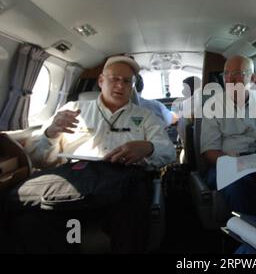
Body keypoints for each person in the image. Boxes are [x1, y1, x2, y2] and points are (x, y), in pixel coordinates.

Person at [19, 55, 176, 252]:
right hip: (76, 183)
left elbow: (169, 151)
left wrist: (148, 148)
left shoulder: (146, 117)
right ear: (101, 81)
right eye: (114, 79)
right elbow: (37, 159)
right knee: (32, 220)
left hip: (124, 185)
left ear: (132, 86)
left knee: (129, 217)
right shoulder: (72, 110)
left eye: (127, 81)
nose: (120, 85)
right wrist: (50, 133)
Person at [201, 56, 256, 216]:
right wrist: (233, 161)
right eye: (226, 74)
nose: (230, 79)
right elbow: (210, 152)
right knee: (237, 185)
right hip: (228, 161)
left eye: (237, 74)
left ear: (252, 78)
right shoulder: (212, 106)